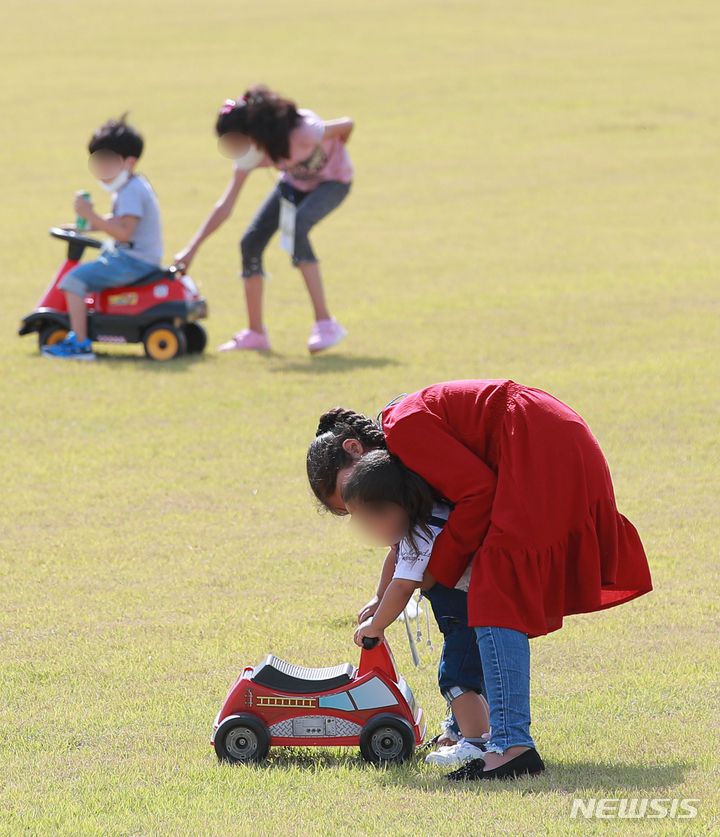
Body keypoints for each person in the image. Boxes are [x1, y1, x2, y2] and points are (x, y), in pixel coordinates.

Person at [306, 380, 653, 780]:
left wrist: (435, 571)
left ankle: (510, 746)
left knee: (493, 589)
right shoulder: (401, 457)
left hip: (540, 446)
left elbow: (478, 493)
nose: (365, 509)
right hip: (538, 443)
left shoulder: (403, 427)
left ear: (355, 449)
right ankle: (473, 730)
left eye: (354, 494)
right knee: (486, 589)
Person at [174, 84, 353, 354]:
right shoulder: (252, 155)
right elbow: (226, 204)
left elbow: (347, 124)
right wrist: (192, 248)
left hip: (334, 182)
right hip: (293, 186)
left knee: (297, 228)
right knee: (251, 242)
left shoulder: (305, 131)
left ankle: (326, 324)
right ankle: (256, 333)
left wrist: (334, 156)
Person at [345, 450, 490, 768]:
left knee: (456, 678)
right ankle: (460, 731)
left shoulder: (418, 534)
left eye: (368, 520)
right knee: (469, 674)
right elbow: (395, 559)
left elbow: (403, 585)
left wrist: (378, 625)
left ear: (390, 509)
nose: (367, 530)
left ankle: (477, 743)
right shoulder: (426, 516)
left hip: (468, 612)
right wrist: (376, 597)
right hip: (469, 609)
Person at [44, 115, 163, 361]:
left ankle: (79, 344)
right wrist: (86, 225)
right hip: (134, 257)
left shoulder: (131, 191)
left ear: (129, 162)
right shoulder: (133, 186)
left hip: (133, 261)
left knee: (73, 281)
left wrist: (91, 215)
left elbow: (124, 232)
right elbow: (121, 221)